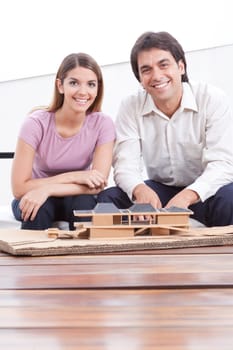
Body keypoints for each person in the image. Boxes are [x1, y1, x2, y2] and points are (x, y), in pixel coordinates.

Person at [98, 31, 233, 227]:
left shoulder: (212, 98)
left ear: (181, 66)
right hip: (161, 192)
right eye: (146, 70)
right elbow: (125, 164)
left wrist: (187, 196)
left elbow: (222, 164)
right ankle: (130, 256)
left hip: (207, 191)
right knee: (110, 198)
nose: (156, 75)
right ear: (140, 80)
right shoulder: (130, 106)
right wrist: (139, 189)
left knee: (231, 199)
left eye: (163, 65)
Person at [11, 52, 115, 230]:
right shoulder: (35, 123)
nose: (83, 92)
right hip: (34, 197)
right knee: (37, 208)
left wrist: (48, 189)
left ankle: (86, 257)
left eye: (91, 84)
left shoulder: (103, 124)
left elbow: (97, 185)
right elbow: (19, 188)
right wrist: (74, 176)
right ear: (60, 85)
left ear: (98, 88)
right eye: (74, 83)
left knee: (85, 205)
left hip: (76, 195)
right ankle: (33, 256)